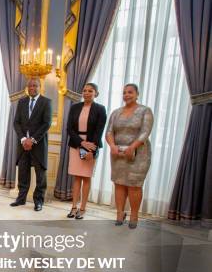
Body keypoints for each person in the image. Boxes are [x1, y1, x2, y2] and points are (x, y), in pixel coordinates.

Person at [105, 83, 153, 228]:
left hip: (138, 154)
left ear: (137, 94)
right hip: (117, 153)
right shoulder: (116, 112)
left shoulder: (145, 111)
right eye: (124, 92)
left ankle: (134, 215)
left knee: (134, 185)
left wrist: (132, 147)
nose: (127, 95)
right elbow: (109, 132)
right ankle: (120, 214)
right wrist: (112, 146)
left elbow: (145, 132)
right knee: (119, 183)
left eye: (130, 92)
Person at [66, 83, 107, 219]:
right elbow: (69, 129)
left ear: (96, 93)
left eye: (90, 91)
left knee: (86, 177)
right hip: (76, 144)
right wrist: (82, 142)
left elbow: (99, 131)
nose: (87, 93)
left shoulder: (100, 109)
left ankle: (83, 208)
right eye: (85, 90)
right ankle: (73, 207)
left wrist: (91, 149)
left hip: (91, 145)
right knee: (77, 177)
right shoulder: (75, 107)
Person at [11, 77, 52, 211]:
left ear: (40, 87)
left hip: (38, 145)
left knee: (41, 175)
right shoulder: (22, 102)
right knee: (23, 172)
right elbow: (16, 122)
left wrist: (32, 140)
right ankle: (21, 199)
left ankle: (38, 202)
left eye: (35, 85)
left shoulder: (46, 102)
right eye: (30, 86)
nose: (32, 88)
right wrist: (23, 139)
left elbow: (47, 124)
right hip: (23, 145)